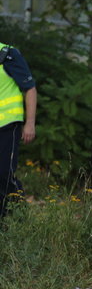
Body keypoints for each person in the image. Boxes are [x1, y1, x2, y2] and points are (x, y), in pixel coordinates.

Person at [0, 41, 37, 217]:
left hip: (7, 126)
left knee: (4, 173)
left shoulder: (7, 54)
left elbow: (30, 89)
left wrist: (29, 123)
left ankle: (19, 217)